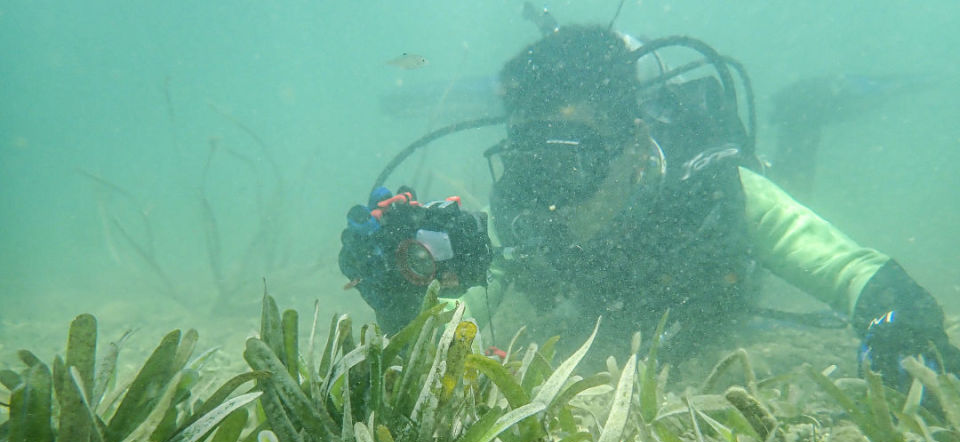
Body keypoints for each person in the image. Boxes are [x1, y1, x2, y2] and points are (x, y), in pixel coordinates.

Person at [339, 24, 958, 388]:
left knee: (793, 180)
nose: (542, 194)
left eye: (565, 159)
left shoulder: (711, 187)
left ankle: (805, 111)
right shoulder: (528, 213)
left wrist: (899, 322)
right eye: (526, 162)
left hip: (715, 282)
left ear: (635, 143)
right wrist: (403, 303)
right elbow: (457, 316)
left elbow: (850, 267)